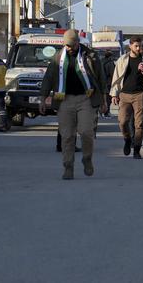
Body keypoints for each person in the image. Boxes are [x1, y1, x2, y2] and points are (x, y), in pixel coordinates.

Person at [41, 29, 107, 179]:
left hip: (86, 99)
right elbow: (48, 78)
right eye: (66, 46)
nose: (69, 48)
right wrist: (42, 98)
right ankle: (68, 167)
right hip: (65, 100)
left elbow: (101, 78)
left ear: (78, 43)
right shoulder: (58, 57)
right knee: (67, 136)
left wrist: (104, 99)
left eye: (71, 45)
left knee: (86, 132)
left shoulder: (90, 56)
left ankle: (87, 158)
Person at [108, 37, 143, 159]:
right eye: (136, 46)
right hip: (125, 95)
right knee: (123, 122)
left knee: (139, 124)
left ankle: (137, 149)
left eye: (140, 46)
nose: (139, 48)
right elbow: (116, 77)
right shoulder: (123, 60)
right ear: (130, 46)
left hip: (140, 95)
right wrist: (114, 94)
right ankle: (127, 139)